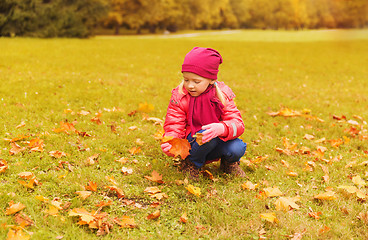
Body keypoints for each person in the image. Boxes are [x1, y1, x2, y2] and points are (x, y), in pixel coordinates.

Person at [161, 47, 247, 179]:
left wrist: (221, 128)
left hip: (218, 138)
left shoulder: (222, 96)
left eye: (196, 81)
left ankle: (229, 164)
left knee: (237, 147)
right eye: (186, 79)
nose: (190, 85)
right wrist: (171, 143)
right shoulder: (181, 97)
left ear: (211, 80)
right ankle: (191, 164)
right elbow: (174, 124)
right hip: (194, 142)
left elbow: (238, 124)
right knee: (207, 138)